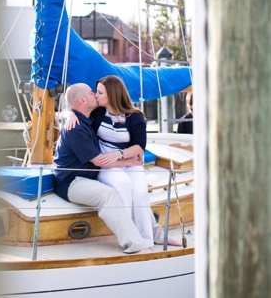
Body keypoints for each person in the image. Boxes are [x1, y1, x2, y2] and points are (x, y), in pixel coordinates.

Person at [52, 83, 153, 254]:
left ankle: (154, 235)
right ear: (83, 100)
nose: (95, 95)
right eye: (92, 93)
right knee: (109, 194)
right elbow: (99, 161)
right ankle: (134, 243)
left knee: (138, 193)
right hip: (71, 182)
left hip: (87, 178)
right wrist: (128, 161)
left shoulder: (88, 117)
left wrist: (69, 113)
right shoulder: (76, 127)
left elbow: (71, 109)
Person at [89, 75, 182, 247]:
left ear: (112, 95)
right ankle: (129, 239)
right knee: (123, 186)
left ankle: (146, 241)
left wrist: (120, 154)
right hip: (108, 166)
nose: (96, 95)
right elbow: (76, 109)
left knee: (140, 195)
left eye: (100, 93)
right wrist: (70, 114)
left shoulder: (134, 117)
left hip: (129, 161)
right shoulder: (98, 112)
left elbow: (140, 146)